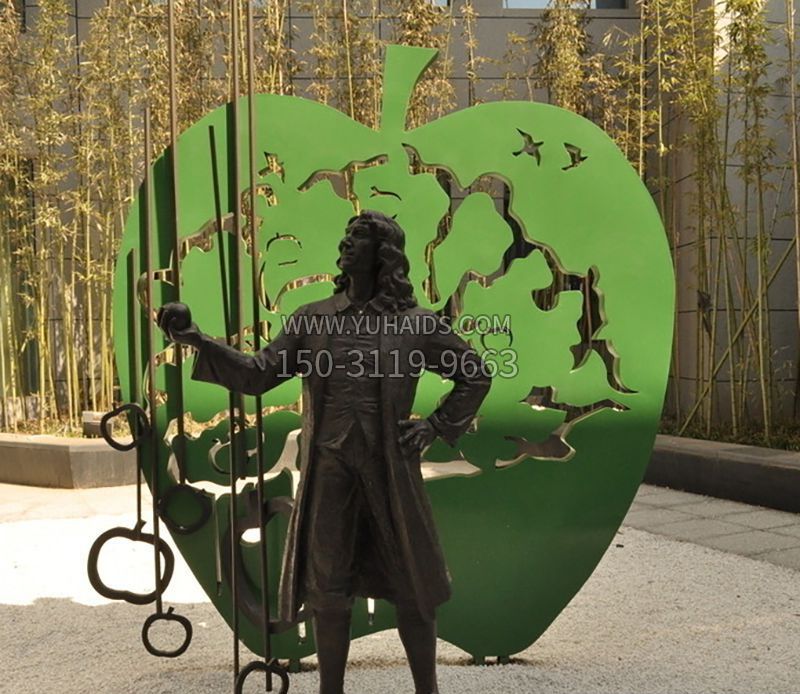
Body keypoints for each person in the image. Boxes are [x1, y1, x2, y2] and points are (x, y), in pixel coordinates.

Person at [158, 210, 491, 694]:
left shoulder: (415, 325)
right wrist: (197, 341)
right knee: (327, 590)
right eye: (347, 235)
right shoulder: (312, 319)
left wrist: (435, 426)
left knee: (414, 587)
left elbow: (474, 374)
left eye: (359, 237)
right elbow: (258, 373)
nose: (346, 243)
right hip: (330, 471)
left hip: (390, 472)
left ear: (384, 254)